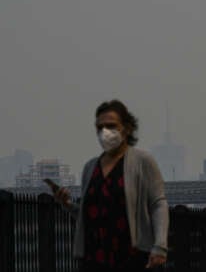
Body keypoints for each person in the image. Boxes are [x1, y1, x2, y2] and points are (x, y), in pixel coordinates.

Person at [53, 99, 169, 271]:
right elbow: (91, 214)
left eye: (111, 126)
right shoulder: (90, 167)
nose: (105, 132)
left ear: (127, 128)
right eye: (100, 127)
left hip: (131, 258)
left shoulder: (143, 161)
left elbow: (158, 203)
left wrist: (160, 246)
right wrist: (67, 205)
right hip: (94, 258)